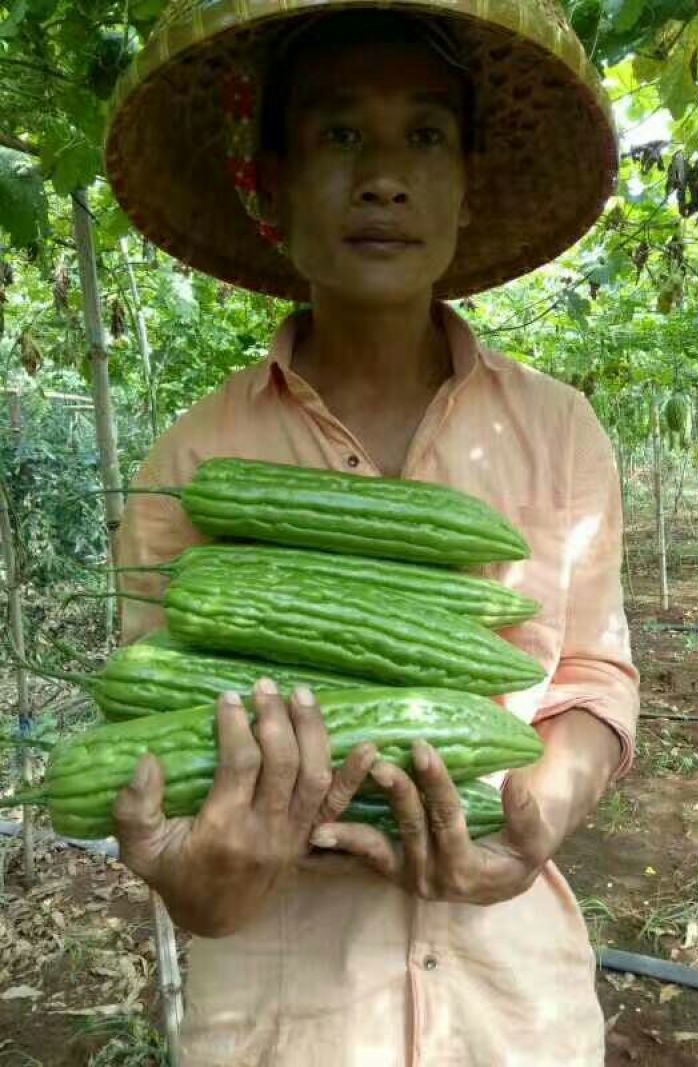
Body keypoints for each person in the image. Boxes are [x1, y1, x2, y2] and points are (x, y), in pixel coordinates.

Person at [105, 1, 640, 1063]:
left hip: (513, 1010)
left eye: (424, 136)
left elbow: (589, 673)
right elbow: (156, 719)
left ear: (465, 183)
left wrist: (537, 811)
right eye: (339, 134)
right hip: (279, 1022)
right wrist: (194, 875)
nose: (383, 175)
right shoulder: (192, 463)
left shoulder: (559, 431)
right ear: (271, 186)